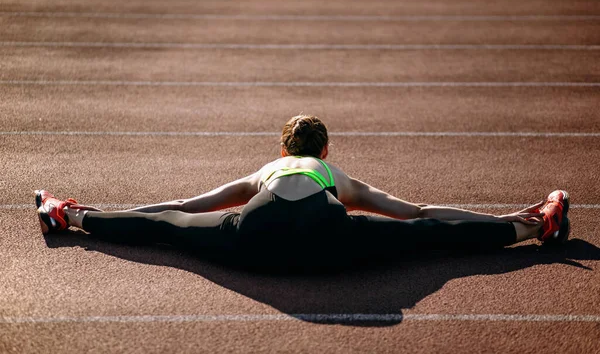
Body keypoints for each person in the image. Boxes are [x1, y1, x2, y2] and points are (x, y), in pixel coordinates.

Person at [35, 114, 571, 272]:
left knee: (166, 230)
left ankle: (70, 217)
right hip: (330, 238)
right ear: (325, 149)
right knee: (429, 236)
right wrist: (501, 215)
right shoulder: (330, 173)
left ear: (282, 146)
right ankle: (534, 225)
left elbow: (179, 209)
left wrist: (98, 211)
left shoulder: (269, 168)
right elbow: (420, 213)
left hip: (255, 240)